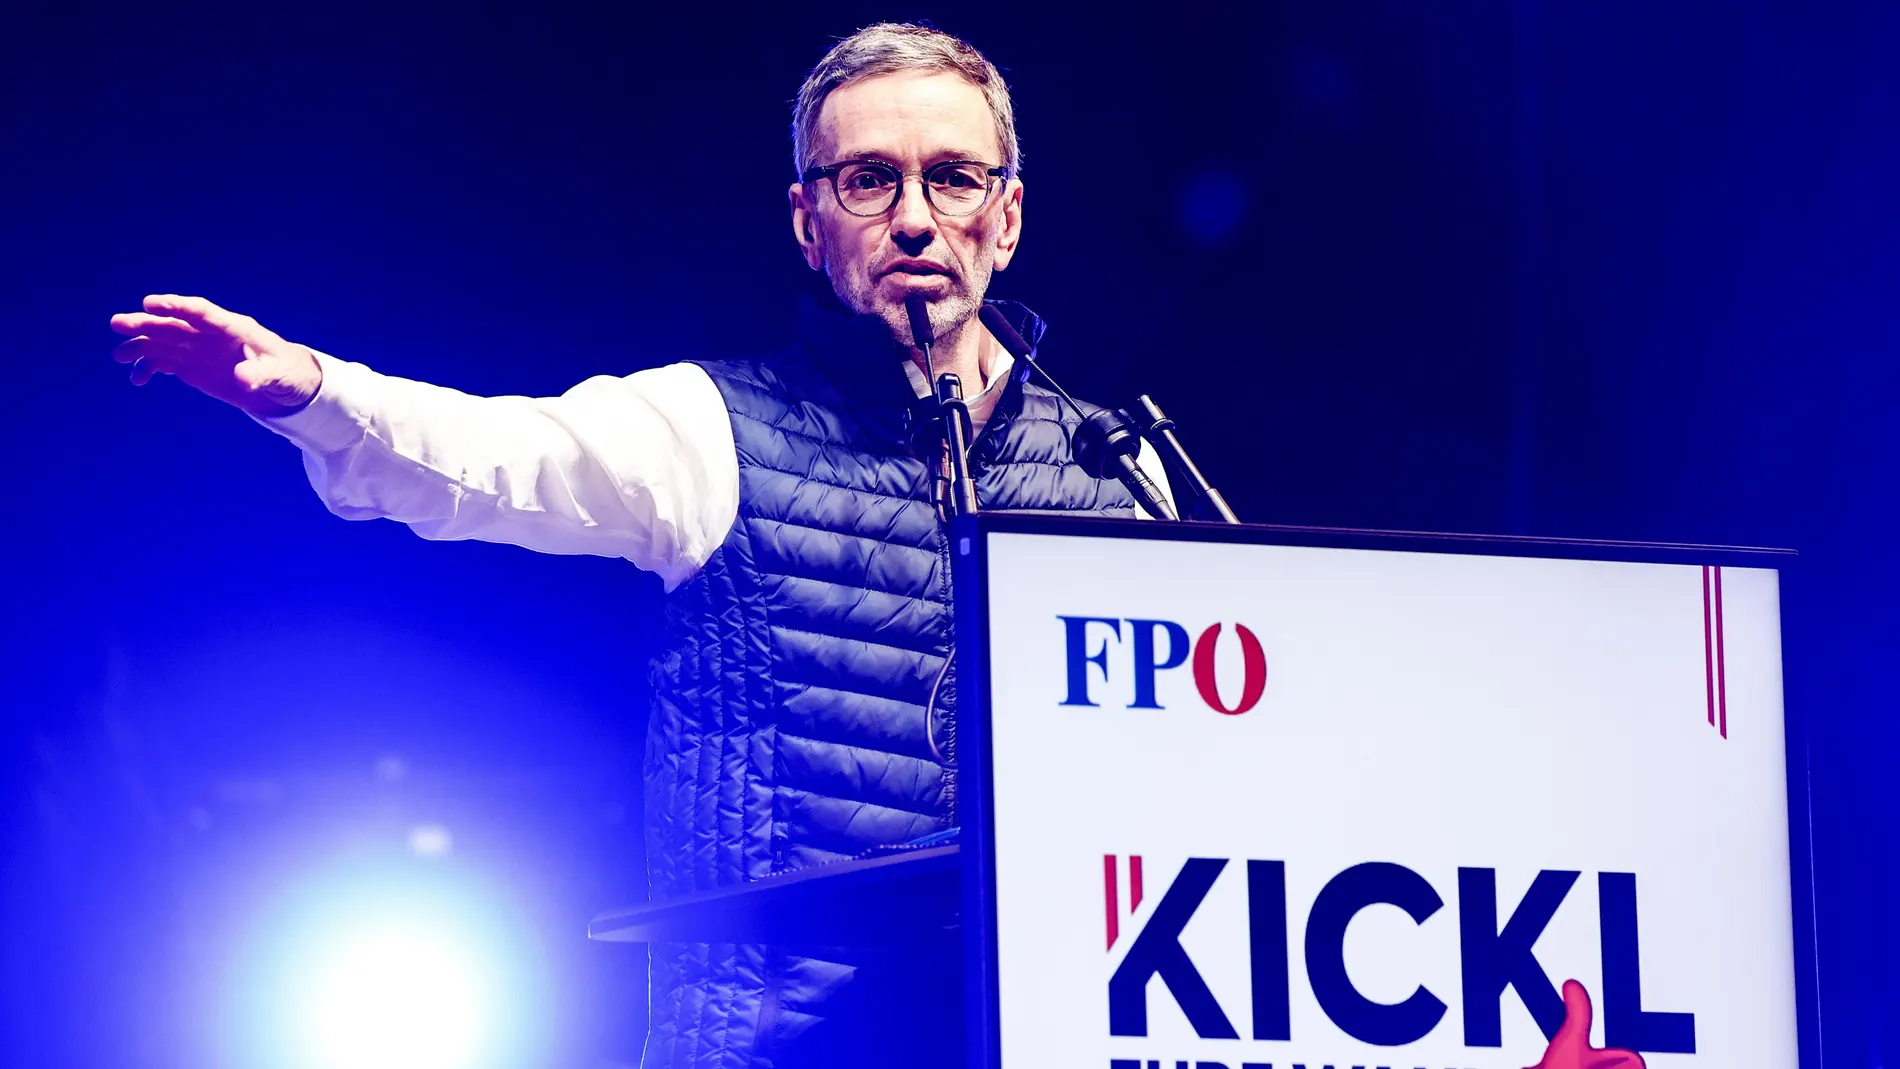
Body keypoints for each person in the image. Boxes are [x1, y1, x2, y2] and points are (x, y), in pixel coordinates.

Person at [109, 22, 1171, 1069]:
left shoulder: (1115, 467)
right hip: (772, 1045)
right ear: (807, 222)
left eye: (951, 178)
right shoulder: (708, 427)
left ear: (1009, 214)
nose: (912, 220)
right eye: (867, 181)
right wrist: (313, 391)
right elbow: (493, 457)